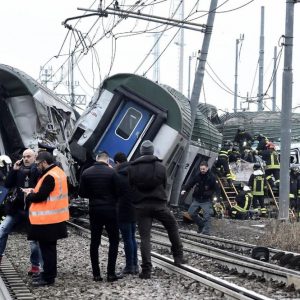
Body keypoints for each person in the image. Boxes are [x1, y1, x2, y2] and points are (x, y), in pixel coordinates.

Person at [129, 140, 186, 279]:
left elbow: (130, 186)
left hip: (141, 206)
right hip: (159, 204)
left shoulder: (132, 168)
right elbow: (165, 184)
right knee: (172, 226)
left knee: (145, 238)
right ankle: (178, 257)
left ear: (141, 152)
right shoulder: (161, 167)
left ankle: (146, 270)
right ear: (152, 151)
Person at [24, 151, 69, 286]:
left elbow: (41, 196)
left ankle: (48, 277)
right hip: (54, 218)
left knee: (47, 250)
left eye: (38, 164)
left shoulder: (49, 176)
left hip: (48, 220)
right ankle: (48, 274)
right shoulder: (58, 172)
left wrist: (29, 195)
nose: (37, 166)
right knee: (50, 249)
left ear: (44, 163)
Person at [79, 151, 121, 282]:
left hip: (94, 210)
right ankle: (111, 273)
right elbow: (118, 192)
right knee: (114, 240)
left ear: (97, 159)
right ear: (108, 160)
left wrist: (93, 195)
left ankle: (96, 274)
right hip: (110, 210)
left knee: (95, 242)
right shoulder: (113, 172)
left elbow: (82, 193)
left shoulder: (86, 172)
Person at [0, 149, 42, 275]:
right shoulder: (18, 170)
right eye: (24, 157)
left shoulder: (39, 170)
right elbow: (7, 184)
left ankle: (35, 265)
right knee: (2, 230)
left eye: (28, 156)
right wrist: (14, 170)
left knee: (34, 239)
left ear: (35, 157)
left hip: (32, 208)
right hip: (17, 208)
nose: (26, 159)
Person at [113, 152, 138, 275]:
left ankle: (129, 266)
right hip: (134, 209)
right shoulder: (135, 172)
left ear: (117, 162)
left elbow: (115, 194)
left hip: (123, 210)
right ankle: (135, 265)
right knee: (132, 238)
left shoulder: (118, 175)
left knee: (127, 239)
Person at [181, 161, 219, 235]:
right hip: (197, 199)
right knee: (191, 213)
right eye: (201, 169)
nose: (202, 170)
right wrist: (185, 189)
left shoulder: (212, 177)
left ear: (207, 168)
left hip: (206, 200)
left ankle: (206, 232)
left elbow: (217, 189)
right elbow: (191, 183)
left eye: (203, 169)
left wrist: (218, 199)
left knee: (207, 215)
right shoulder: (198, 176)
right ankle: (201, 225)